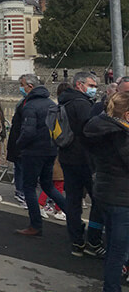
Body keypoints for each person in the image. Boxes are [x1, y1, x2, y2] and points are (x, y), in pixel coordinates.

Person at [84, 88, 129, 292]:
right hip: (122, 200)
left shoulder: (102, 130)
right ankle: (111, 288)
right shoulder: (122, 137)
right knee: (118, 252)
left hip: (105, 194)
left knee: (113, 246)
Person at [59, 72, 106, 257]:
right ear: (80, 84)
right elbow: (91, 132)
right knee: (98, 200)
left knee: (73, 201)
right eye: (91, 85)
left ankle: (76, 240)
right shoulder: (82, 104)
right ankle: (94, 240)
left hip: (66, 157)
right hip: (85, 160)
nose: (94, 88)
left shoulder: (64, 101)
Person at [14, 73, 67, 236]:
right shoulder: (51, 103)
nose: (21, 88)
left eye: (22, 84)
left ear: (30, 86)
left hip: (34, 151)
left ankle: (35, 224)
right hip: (50, 150)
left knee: (29, 187)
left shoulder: (30, 106)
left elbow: (28, 131)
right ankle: (72, 214)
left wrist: (19, 145)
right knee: (48, 185)